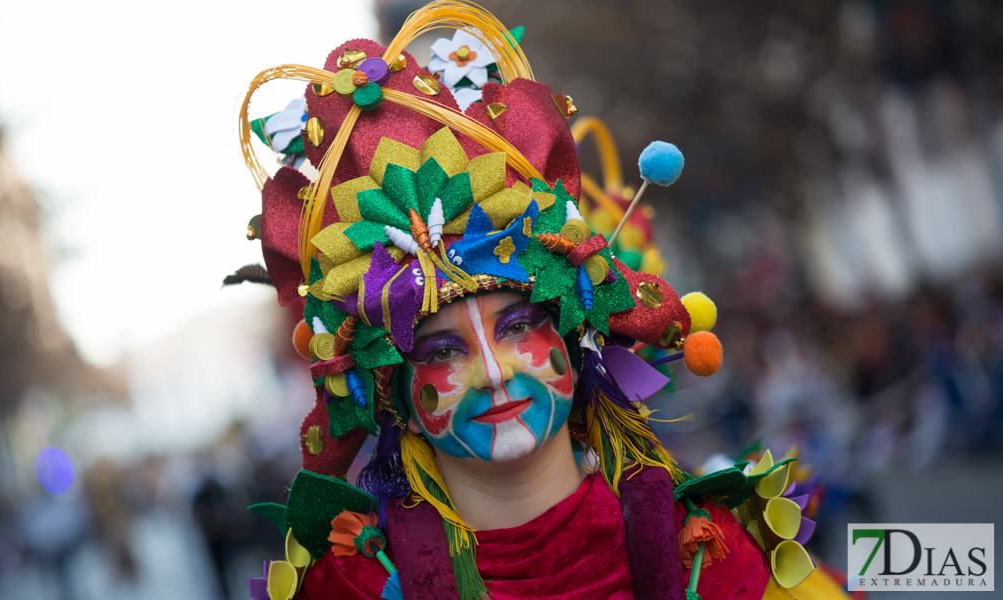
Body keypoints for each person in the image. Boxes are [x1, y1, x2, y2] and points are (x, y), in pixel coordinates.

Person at [233, 2, 861, 599]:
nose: (496, 369)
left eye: (518, 325)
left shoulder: (714, 559)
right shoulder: (348, 591)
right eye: (443, 349)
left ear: (570, 331)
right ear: (393, 393)